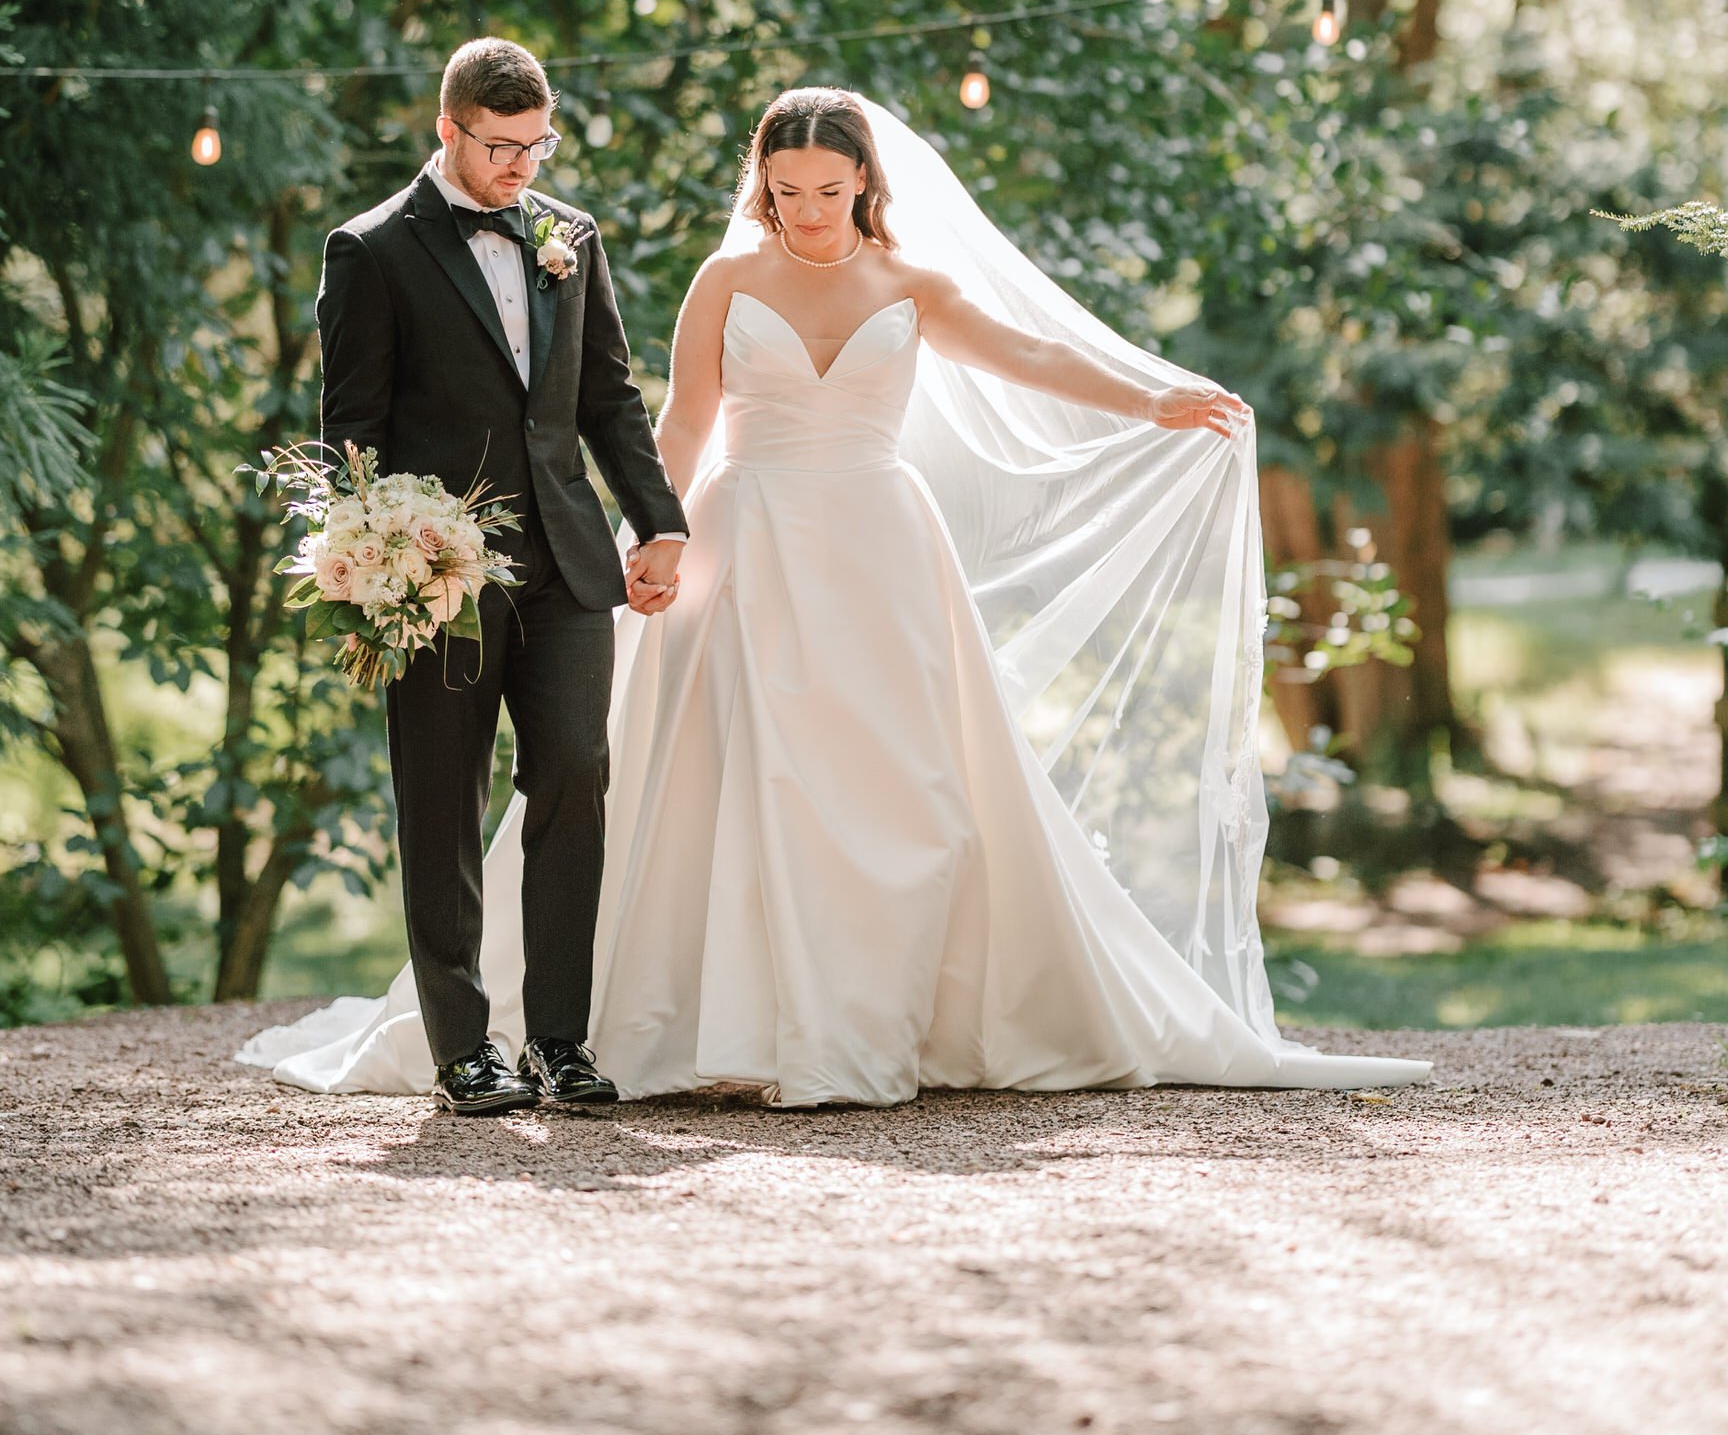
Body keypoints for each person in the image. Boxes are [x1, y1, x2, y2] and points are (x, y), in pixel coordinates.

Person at [244, 86, 1430, 1104]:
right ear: (761, 185)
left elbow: (1029, 356)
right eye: (786, 190)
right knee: (719, 768)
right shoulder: (726, 277)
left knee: (904, 778)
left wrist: (1151, 395)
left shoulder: (911, 282)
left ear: (865, 182)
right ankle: (691, 1024)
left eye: (827, 189)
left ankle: (873, 1015)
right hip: (743, 539)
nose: (807, 210)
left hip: (878, 548)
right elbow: (679, 420)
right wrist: (657, 534)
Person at [294, 36, 688, 1115]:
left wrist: (660, 521)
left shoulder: (571, 237)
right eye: (501, 146)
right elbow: (352, 433)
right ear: (448, 128)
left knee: (573, 777)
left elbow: (608, 394)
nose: (521, 166)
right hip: (438, 578)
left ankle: (560, 1041)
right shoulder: (371, 250)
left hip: (569, 563)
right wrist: (376, 564)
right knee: (442, 801)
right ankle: (463, 1048)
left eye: (536, 145)